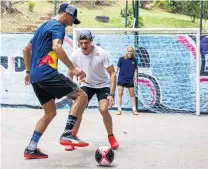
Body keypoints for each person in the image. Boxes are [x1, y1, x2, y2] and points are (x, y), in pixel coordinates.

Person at [23, 3, 89, 159]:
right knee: (82, 96)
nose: (72, 22)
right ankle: (67, 134)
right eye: (72, 18)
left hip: (35, 77)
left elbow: (26, 49)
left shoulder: (43, 27)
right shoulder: (58, 26)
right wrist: (73, 68)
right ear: (66, 14)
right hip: (47, 73)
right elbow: (57, 47)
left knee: (50, 112)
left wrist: (27, 71)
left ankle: (31, 148)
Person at [65, 29, 119, 151]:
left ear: (91, 42)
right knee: (78, 109)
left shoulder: (102, 53)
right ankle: (72, 137)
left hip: (102, 84)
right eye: (81, 43)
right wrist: (71, 90)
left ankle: (111, 137)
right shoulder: (75, 55)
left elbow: (112, 73)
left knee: (103, 109)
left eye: (86, 42)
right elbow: (70, 74)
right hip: (86, 84)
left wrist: (112, 94)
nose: (84, 45)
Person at [115, 46, 139, 115]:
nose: (130, 52)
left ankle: (134, 110)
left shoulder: (134, 60)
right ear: (126, 51)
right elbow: (117, 69)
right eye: (128, 51)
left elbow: (135, 70)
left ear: (133, 52)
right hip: (121, 79)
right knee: (120, 94)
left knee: (132, 95)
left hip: (130, 79)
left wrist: (135, 79)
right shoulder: (121, 59)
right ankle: (119, 109)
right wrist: (114, 75)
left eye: (131, 51)